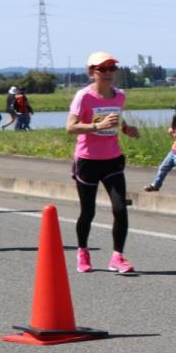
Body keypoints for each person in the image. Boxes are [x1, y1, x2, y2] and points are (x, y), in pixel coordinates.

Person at [66, 52, 140, 274]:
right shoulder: (84, 97)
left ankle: (117, 256)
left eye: (111, 68)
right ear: (92, 73)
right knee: (88, 211)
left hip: (113, 159)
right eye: (102, 69)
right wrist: (96, 127)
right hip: (87, 160)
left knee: (120, 209)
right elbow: (70, 127)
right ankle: (82, 251)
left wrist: (127, 129)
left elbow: (116, 117)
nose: (108, 73)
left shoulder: (120, 96)